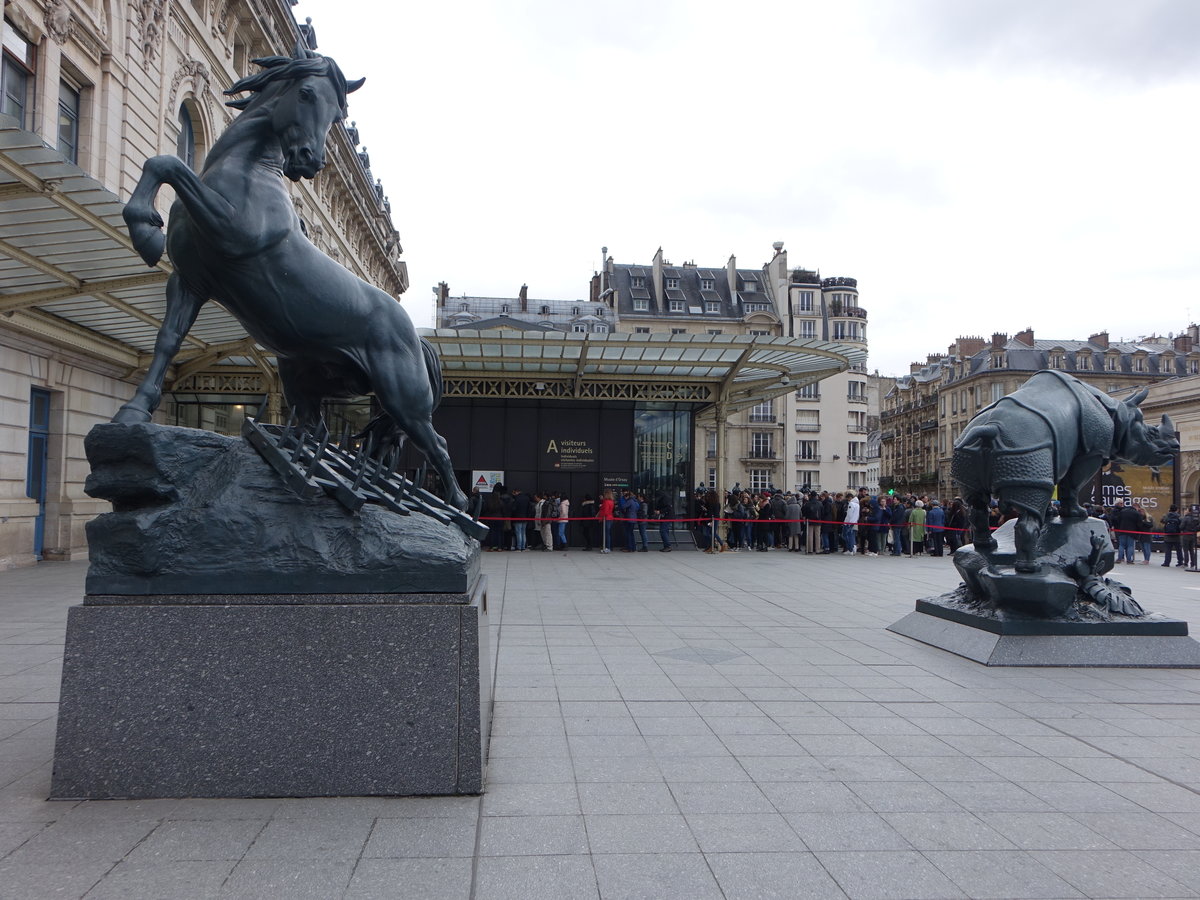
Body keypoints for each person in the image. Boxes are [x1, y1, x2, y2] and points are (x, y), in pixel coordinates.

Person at [511, 487, 533, 551]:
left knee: (518, 533)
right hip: (525, 518)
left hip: (518, 518)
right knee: (523, 532)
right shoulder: (527, 498)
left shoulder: (517, 499)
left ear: (516, 492)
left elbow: (513, 509)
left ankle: (519, 547)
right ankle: (523, 546)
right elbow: (529, 508)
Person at [1181, 505, 1200, 571]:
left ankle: (1186, 563)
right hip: (1193, 535)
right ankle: (1193, 563)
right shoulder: (1196, 518)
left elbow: (1181, 527)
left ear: (1189, 510)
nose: (1185, 511)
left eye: (1186, 510)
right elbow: (1198, 526)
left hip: (1186, 535)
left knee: (1186, 550)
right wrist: (1195, 530)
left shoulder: (1186, 518)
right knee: (1192, 550)